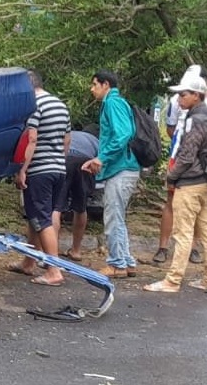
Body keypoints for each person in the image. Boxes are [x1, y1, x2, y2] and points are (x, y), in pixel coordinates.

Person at [144, 72, 207, 292]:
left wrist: (171, 176)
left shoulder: (195, 120)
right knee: (204, 230)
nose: (179, 99)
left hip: (190, 181)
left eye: (183, 94)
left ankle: (173, 280)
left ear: (197, 96)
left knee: (183, 232)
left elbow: (187, 154)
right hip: (204, 180)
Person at [8, 70, 70, 286]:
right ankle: (29, 262)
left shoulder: (34, 104)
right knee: (37, 216)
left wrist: (22, 169)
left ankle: (53, 270)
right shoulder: (60, 104)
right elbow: (66, 139)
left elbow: (31, 138)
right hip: (58, 169)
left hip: (39, 170)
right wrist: (57, 161)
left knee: (41, 219)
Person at [82, 70, 142, 279]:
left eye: (94, 84)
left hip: (122, 169)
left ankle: (116, 264)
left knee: (113, 216)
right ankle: (127, 262)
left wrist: (101, 158)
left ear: (105, 84)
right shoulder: (117, 103)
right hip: (122, 167)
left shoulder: (112, 103)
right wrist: (99, 159)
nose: (92, 89)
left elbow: (123, 134)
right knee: (118, 216)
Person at [153, 64, 203, 265]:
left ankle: (193, 248)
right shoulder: (176, 101)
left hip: (195, 160)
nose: (181, 96)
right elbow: (171, 130)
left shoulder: (201, 109)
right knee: (171, 202)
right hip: (180, 156)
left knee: (197, 207)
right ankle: (163, 247)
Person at [53, 129, 99, 261]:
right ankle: (76, 250)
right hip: (85, 163)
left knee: (56, 208)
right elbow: (99, 163)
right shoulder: (95, 140)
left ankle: (53, 251)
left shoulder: (70, 133)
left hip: (65, 159)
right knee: (81, 207)